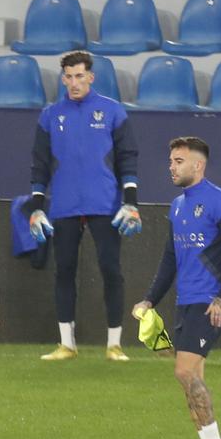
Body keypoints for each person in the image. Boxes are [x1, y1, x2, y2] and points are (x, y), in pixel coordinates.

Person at [132, 137, 221, 439]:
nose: (171, 166)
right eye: (171, 160)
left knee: (183, 371)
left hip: (211, 303)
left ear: (198, 165)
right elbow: (170, 258)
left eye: (179, 161)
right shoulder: (178, 206)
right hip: (187, 301)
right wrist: (150, 298)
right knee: (191, 376)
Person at [25, 52, 139, 362]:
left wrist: (131, 202)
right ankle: (67, 345)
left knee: (111, 270)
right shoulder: (50, 115)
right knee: (64, 272)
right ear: (62, 79)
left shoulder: (112, 111)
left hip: (105, 204)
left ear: (91, 77)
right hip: (63, 205)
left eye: (79, 76)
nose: (74, 83)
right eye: (69, 77)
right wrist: (37, 207)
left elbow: (128, 158)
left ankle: (114, 345)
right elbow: (40, 166)